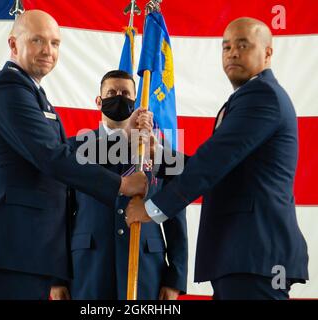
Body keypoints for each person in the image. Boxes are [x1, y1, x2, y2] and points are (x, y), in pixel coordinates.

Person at [0, 10, 147, 300]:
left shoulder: (30, 91)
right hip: (5, 251)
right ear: (13, 44)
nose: (48, 51)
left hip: (23, 252)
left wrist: (122, 137)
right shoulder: (9, 89)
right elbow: (50, 157)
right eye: (37, 41)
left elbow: (62, 149)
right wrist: (119, 185)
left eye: (55, 43)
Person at [125, 17, 309, 300]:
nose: (232, 52)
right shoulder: (248, 97)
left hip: (256, 255)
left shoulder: (262, 96)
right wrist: (157, 156)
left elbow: (212, 163)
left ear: (268, 52)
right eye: (226, 47)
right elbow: (223, 169)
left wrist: (152, 209)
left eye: (243, 45)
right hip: (244, 256)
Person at [50, 70, 188, 300]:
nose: (119, 97)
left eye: (125, 93)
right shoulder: (74, 148)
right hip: (88, 266)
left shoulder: (158, 150)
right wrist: (56, 277)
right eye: (111, 92)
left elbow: (175, 212)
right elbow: (59, 215)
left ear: (136, 102)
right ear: (98, 100)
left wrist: (175, 277)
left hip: (146, 268)